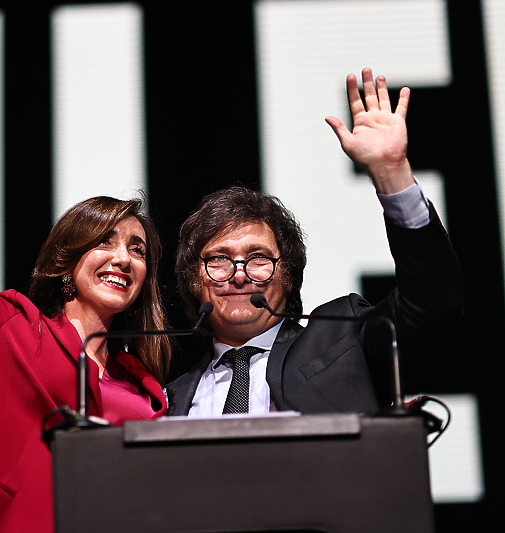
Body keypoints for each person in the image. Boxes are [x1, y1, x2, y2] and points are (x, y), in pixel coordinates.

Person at [0, 87, 172, 532]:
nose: (123, 258)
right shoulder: (8, 329)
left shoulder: (146, 385)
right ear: (68, 261)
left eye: (137, 249)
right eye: (104, 241)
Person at [167, 68, 463, 416]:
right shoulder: (168, 396)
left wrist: (391, 173)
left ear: (288, 275)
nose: (239, 274)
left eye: (258, 257)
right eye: (219, 259)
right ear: (193, 280)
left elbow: (434, 300)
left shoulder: (344, 341)